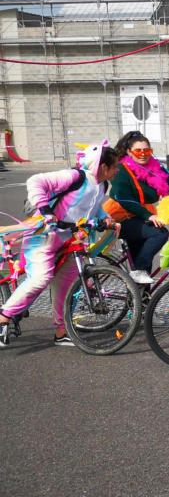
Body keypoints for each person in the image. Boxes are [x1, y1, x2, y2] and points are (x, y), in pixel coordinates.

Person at [0, 142, 119, 347]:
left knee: (68, 286)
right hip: (43, 236)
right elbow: (35, 181)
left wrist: (106, 218)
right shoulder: (76, 177)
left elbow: (93, 207)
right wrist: (46, 210)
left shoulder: (102, 185)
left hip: (69, 240)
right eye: (115, 166)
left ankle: (62, 331)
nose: (117, 170)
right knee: (41, 278)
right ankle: (3, 317)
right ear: (103, 166)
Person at [107, 131, 169, 285]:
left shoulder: (154, 166)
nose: (143, 154)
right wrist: (149, 216)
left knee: (144, 271)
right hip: (121, 218)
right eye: (138, 151)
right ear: (129, 152)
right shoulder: (121, 169)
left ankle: (140, 297)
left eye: (146, 151)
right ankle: (138, 269)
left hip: (139, 217)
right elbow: (123, 198)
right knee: (159, 233)